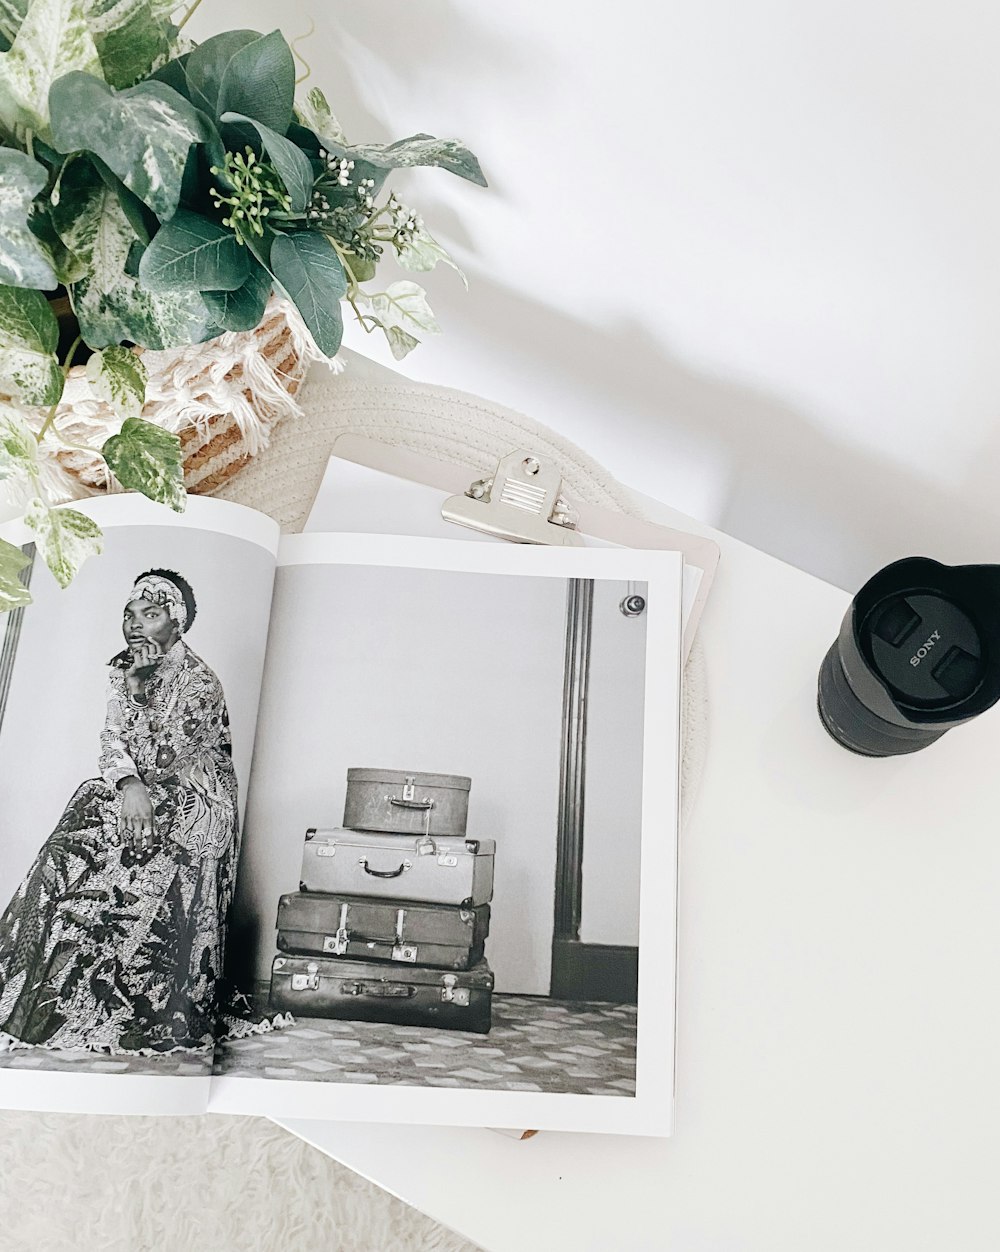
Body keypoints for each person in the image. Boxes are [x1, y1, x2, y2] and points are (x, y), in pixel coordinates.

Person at [0, 569, 241, 1054]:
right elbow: (113, 741)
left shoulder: (200, 681)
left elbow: (166, 758)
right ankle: (39, 985)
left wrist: (136, 694)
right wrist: (128, 783)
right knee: (88, 805)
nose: (135, 625)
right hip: (146, 784)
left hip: (197, 795)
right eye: (129, 614)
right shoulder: (123, 665)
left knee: (121, 822)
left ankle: (112, 988)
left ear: (178, 623)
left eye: (150, 614)